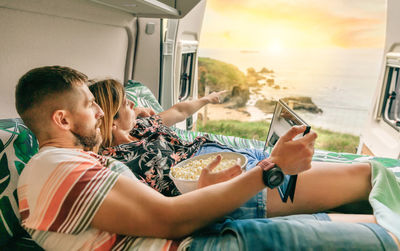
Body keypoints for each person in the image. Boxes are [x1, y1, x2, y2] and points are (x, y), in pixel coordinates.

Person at [15, 66, 399, 250]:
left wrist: (202, 191)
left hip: (200, 235)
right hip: (198, 247)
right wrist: (272, 169)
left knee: (371, 214)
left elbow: (164, 214)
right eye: (89, 106)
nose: (100, 112)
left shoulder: (72, 165)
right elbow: (170, 221)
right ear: (62, 119)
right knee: (386, 237)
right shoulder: (53, 167)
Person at [90, 79, 374, 217]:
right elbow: (160, 209)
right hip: (227, 180)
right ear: (109, 120)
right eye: (124, 103)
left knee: (356, 187)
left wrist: (206, 99)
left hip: (235, 157)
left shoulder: (143, 124)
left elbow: (178, 110)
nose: (133, 104)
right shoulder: (112, 162)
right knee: (364, 176)